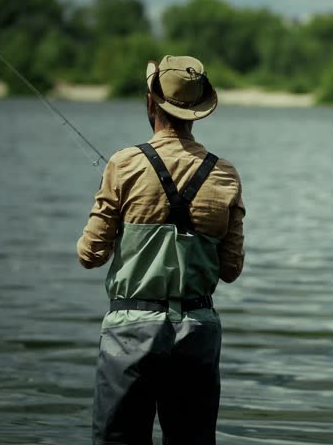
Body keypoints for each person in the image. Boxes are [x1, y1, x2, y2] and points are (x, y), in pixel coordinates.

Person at [77, 55, 245, 444]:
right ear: (199, 111)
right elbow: (231, 268)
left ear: (151, 103)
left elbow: (90, 255)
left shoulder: (123, 163)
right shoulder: (225, 174)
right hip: (198, 332)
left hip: (132, 333)